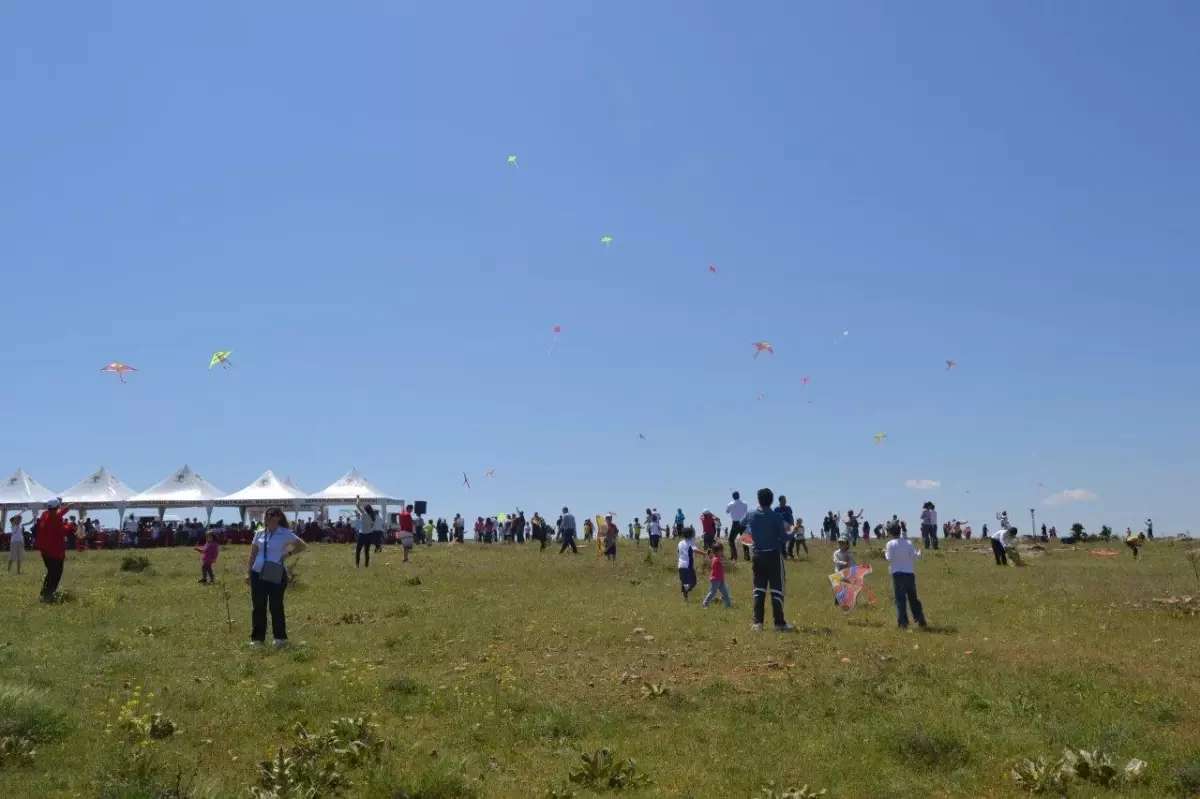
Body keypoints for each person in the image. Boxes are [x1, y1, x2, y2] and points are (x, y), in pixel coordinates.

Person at [245, 507, 308, 647]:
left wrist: (288, 554)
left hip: (276, 572)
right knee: (258, 606)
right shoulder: (259, 533)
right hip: (257, 572)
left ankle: (279, 638)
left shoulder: (285, 533)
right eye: (267, 515)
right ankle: (257, 639)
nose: (269, 517)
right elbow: (253, 554)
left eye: (273, 515)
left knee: (275, 606)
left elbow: (302, 545)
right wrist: (248, 573)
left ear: (279, 517)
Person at [744, 487, 792, 632]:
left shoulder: (751, 514)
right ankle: (779, 623)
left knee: (758, 589)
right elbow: (784, 538)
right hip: (773, 556)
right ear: (771, 501)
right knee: (777, 589)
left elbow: (741, 522)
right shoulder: (776, 517)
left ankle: (758, 623)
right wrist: (793, 533)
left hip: (757, 556)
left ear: (759, 500)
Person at [885, 523, 927, 629]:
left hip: (898, 574)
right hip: (909, 574)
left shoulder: (890, 544)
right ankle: (920, 620)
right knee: (913, 598)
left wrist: (884, 553)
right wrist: (919, 552)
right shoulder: (908, 543)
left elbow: (889, 558)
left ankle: (903, 623)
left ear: (890, 532)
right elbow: (915, 557)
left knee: (900, 599)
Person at [35, 498, 71, 603]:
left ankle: (44, 592)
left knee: (51, 572)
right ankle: (48, 595)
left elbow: (58, 513)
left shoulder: (45, 515)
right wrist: (69, 524)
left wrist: (68, 507)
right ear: (57, 508)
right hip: (55, 552)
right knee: (56, 574)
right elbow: (64, 530)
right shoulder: (55, 520)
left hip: (45, 551)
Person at [701, 541, 732, 608]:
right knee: (713, 592)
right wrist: (724, 559)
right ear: (717, 551)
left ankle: (728, 605)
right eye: (721, 551)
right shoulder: (717, 559)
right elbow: (724, 563)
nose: (722, 552)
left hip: (720, 579)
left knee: (725, 593)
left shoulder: (716, 558)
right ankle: (705, 604)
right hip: (715, 579)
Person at [677, 526, 700, 601]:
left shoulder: (680, 543)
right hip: (688, 566)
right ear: (691, 534)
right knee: (694, 582)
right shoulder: (690, 542)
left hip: (680, 565)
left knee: (685, 582)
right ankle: (686, 589)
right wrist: (704, 553)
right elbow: (695, 550)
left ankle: (685, 597)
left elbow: (678, 551)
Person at [354, 498, 377, 568]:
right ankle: (366, 565)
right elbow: (371, 526)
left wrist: (358, 498)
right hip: (369, 534)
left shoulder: (363, 514)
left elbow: (357, 505)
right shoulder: (373, 517)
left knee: (358, 550)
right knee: (366, 551)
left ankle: (357, 565)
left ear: (365, 509)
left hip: (362, 534)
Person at [726, 491, 748, 562]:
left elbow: (727, 511)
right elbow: (745, 511)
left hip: (735, 523)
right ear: (739, 496)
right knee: (745, 541)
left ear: (733, 497)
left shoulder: (730, 504)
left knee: (731, 540)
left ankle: (734, 556)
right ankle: (747, 557)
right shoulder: (744, 504)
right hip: (743, 523)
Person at [832, 537, 855, 607]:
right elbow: (835, 561)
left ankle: (847, 603)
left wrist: (855, 568)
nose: (840, 544)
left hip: (847, 573)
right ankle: (837, 604)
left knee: (846, 588)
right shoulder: (836, 553)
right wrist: (843, 563)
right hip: (838, 573)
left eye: (843, 543)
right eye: (839, 543)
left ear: (847, 544)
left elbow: (852, 563)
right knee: (837, 588)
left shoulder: (849, 554)